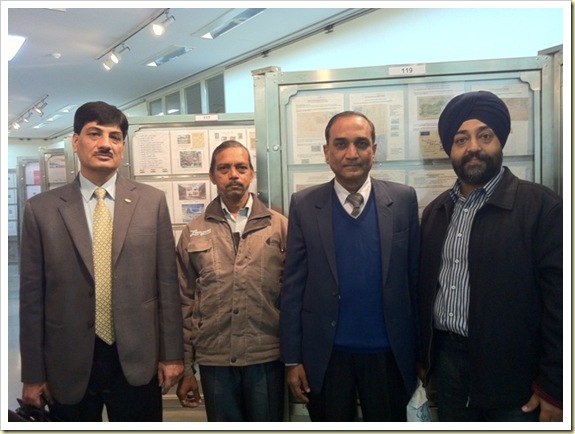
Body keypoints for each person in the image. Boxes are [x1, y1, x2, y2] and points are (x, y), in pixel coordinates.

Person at [19, 101, 184, 421]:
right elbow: (31, 300)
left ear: (122, 146)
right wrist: (33, 374)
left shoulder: (151, 202)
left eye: (115, 137)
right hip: (67, 360)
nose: (106, 144)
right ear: (75, 141)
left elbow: (167, 285)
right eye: (94, 134)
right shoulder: (41, 210)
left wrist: (173, 354)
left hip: (137, 356)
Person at [418, 90, 563, 422]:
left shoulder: (542, 208)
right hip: (448, 368)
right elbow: (425, 290)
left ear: (500, 142)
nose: (473, 147)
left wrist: (554, 385)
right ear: (450, 149)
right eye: (461, 139)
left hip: (516, 378)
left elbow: (561, 305)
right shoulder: (437, 211)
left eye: (485, 136)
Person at [280, 111, 421, 421]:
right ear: (326, 152)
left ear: (374, 150)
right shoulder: (305, 204)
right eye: (341, 144)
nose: (352, 153)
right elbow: (293, 286)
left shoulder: (403, 200)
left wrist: (421, 354)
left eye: (361, 143)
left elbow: (415, 281)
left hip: (389, 354)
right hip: (325, 356)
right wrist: (292, 359)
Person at [176, 140, 288, 421]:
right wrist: (187, 369)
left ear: (251, 173)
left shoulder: (279, 226)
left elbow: (295, 297)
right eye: (224, 168)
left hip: (266, 357)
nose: (233, 175)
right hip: (215, 361)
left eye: (241, 167)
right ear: (212, 176)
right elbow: (184, 302)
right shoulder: (193, 231)